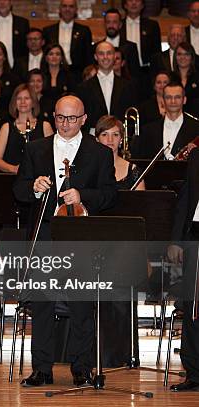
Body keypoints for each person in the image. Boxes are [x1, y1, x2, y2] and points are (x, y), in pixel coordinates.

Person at [13, 95, 117, 388]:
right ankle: (42, 369)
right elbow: (18, 189)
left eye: (72, 118)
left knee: (82, 306)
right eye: (60, 117)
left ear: (84, 119)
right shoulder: (36, 149)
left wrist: (83, 195)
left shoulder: (99, 153)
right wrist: (33, 188)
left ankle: (81, 367)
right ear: (53, 117)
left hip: (82, 238)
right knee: (43, 305)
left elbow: (110, 195)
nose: (66, 124)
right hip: (46, 234)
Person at [168, 147, 199, 392]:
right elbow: (187, 197)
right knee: (191, 307)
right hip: (195, 237)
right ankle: (194, 372)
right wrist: (177, 240)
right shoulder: (197, 155)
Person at [0, 84, 54, 174]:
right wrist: (14, 169)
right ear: (14, 103)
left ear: (33, 102)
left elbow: (53, 156)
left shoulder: (45, 126)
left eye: (27, 98)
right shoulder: (6, 127)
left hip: (39, 179)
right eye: (19, 98)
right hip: (13, 179)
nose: (22, 102)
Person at [134, 82, 199, 159]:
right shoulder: (148, 130)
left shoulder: (196, 128)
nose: (173, 101)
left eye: (177, 97)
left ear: (184, 100)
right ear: (162, 101)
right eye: (168, 97)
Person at [43, 0, 93, 77]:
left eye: (71, 6)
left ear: (76, 9)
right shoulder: (48, 31)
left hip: (77, 74)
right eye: (64, 6)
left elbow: (88, 55)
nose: (67, 9)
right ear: (59, 9)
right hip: (54, 73)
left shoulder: (84, 31)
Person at [96, 115, 145, 191]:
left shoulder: (133, 171)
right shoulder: (87, 168)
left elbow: (141, 201)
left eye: (115, 134)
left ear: (121, 139)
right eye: (104, 134)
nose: (110, 139)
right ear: (97, 139)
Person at [172, 42, 199, 116]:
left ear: (192, 57)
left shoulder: (197, 77)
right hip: (175, 117)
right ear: (175, 57)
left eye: (186, 54)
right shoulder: (170, 77)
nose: (182, 57)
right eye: (179, 54)